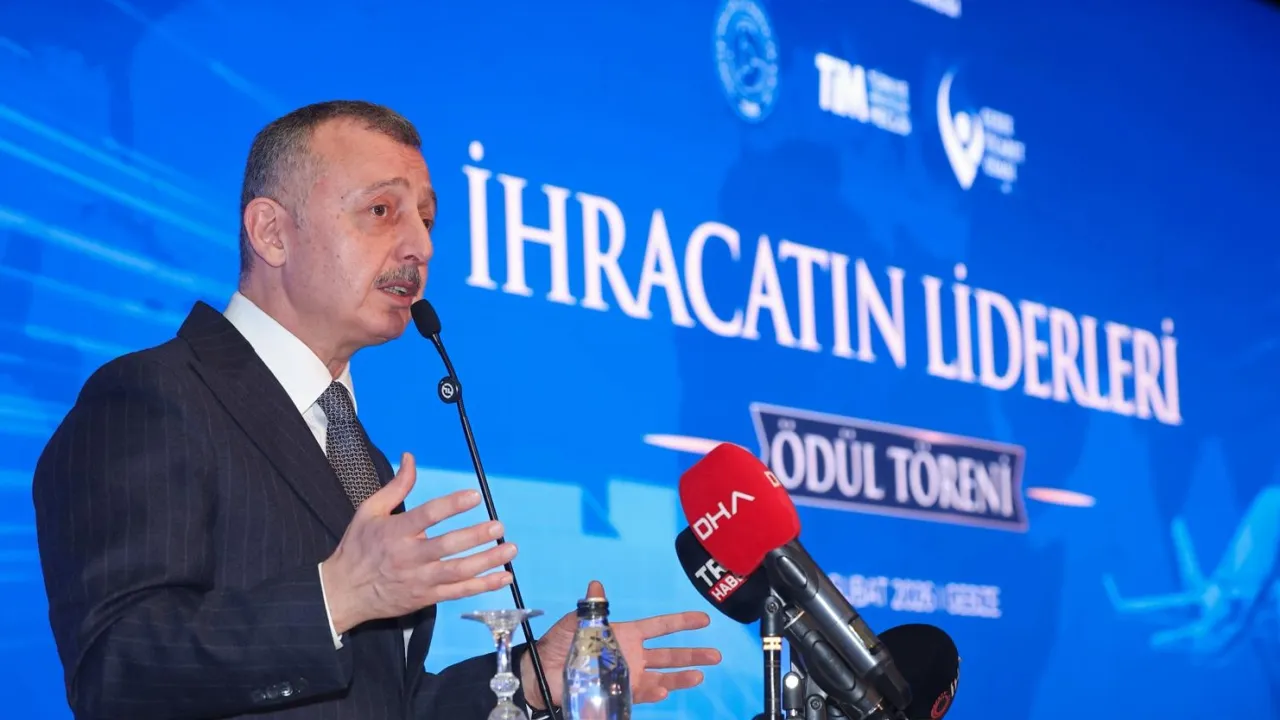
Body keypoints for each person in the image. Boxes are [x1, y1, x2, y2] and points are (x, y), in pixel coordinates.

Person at [31, 100, 721, 720]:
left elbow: (386, 702)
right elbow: (114, 668)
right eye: (382, 211)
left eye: (427, 218)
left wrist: (532, 677)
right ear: (271, 233)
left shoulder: (357, 451)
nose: (421, 245)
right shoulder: (154, 396)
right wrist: (336, 596)